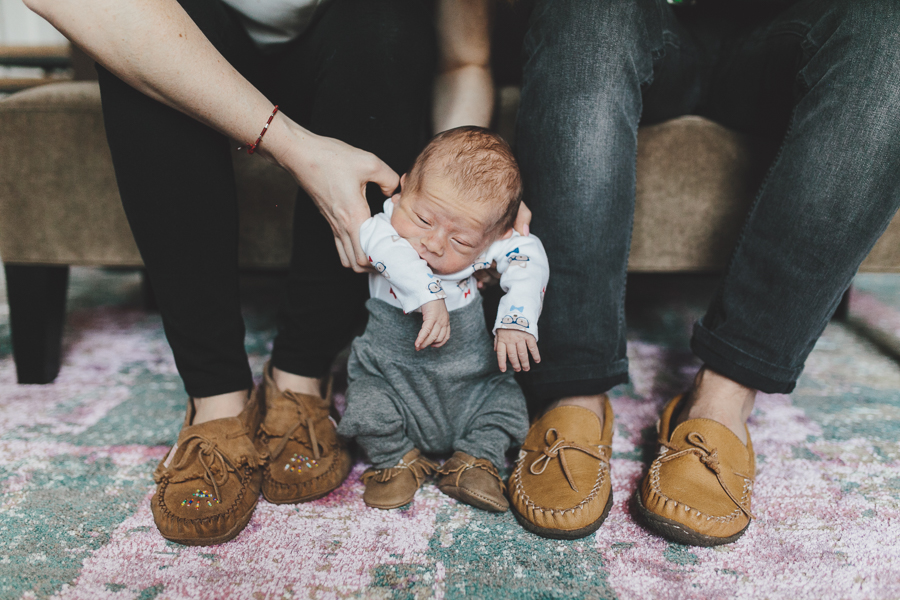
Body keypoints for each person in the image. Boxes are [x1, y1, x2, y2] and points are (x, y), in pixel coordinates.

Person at [24, 0, 505, 545]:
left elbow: (463, 60)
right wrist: (296, 149)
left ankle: (301, 374)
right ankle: (216, 396)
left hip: (339, 54)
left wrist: (468, 193)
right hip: (193, 46)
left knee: (385, 21)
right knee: (147, 34)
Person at [510, 0, 900, 546]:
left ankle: (725, 393)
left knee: (893, 31)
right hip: (649, 19)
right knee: (586, 9)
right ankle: (572, 391)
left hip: (786, 32)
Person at [336, 126, 549, 512]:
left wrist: (516, 317)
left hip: (472, 385)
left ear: (493, 237)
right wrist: (428, 295)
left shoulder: (490, 240)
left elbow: (529, 256)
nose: (433, 244)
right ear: (401, 191)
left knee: (507, 403)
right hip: (391, 381)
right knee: (365, 405)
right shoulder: (383, 229)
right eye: (422, 219)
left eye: (461, 241)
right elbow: (388, 250)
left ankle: (476, 459)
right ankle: (396, 459)